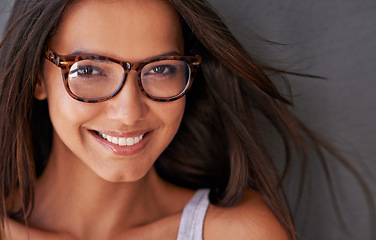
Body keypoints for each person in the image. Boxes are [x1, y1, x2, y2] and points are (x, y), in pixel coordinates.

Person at [0, 0, 359, 239]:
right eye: (90, 70)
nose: (129, 112)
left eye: (160, 69)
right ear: (35, 77)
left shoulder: (235, 234)